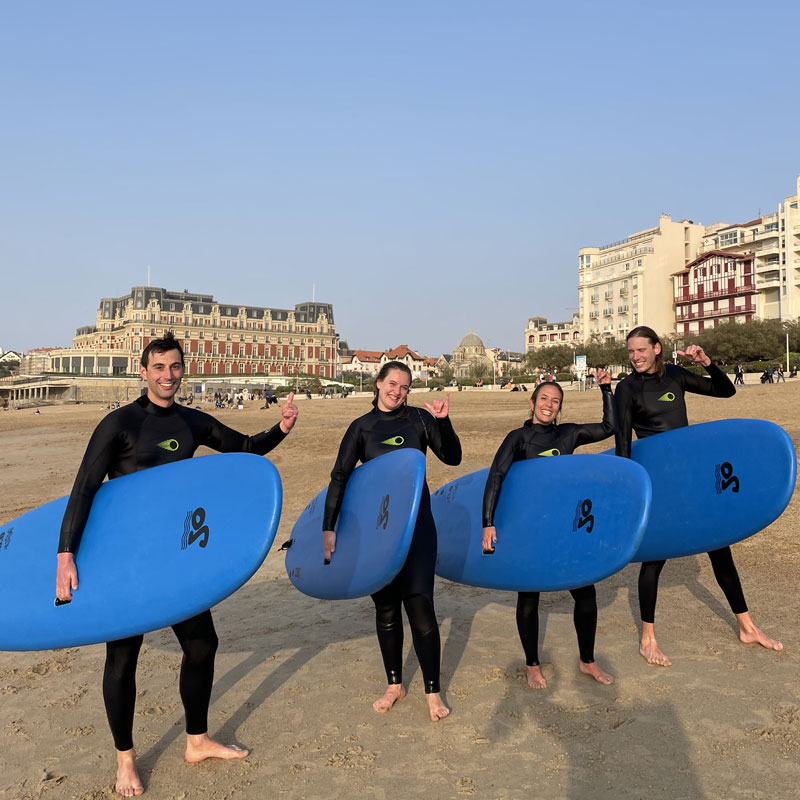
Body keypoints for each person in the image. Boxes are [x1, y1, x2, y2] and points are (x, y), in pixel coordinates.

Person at [55, 332, 299, 797]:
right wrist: (66, 554)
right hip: (127, 559)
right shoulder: (119, 424)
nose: (168, 376)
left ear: (183, 370)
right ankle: (125, 760)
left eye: (175, 367)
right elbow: (84, 487)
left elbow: (243, 447)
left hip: (174, 556)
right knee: (123, 658)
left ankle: (197, 740)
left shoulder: (192, 422)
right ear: (143, 370)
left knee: (203, 644)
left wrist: (281, 429)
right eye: (159, 367)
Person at [615, 325, 781, 667]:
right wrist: (629, 490)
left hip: (690, 478)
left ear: (657, 348)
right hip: (657, 480)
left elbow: (725, 392)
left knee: (720, 547)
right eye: (630, 352)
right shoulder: (627, 388)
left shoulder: (675, 376)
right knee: (654, 559)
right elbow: (623, 445)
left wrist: (707, 363)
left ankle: (747, 626)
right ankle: (648, 639)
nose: (635, 357)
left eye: (640, 350)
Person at [322, 361, 461, 722]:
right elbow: (339, 477)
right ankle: (394, 683)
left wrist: (443, 422)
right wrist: (328, 526)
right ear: (378, 383)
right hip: (377, 531)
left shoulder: (419, 420)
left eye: (404, 386)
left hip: (417, 527)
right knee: (385, 608)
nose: (397, 391)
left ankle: (433, 690)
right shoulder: (361, 428)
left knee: (420, 605)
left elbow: (453, 457)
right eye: (392, 384)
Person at [481, 372, 616, 689]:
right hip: (531, 529)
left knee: (586, 592)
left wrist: (606, 388)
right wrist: (488, 521)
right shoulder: (518, 438)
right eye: (544, 398)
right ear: (532, 403)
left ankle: (588, 661)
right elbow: (496, 477)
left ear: (559, 408)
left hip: (565, 526)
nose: (549, 404)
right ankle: (532, 665)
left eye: (556, 401)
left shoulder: (569, 434)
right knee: (529, 597)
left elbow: (610, 427)